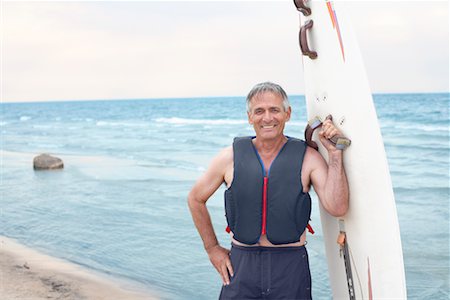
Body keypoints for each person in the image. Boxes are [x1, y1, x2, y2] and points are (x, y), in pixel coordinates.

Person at [188, 82, 349, 299]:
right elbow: (195, 199)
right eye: (259, 111)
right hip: (241, 264)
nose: (267, 118)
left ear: (287, 114)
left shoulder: (308, 158)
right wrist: (212, 249)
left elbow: (337, 207)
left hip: (290, 264)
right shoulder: (229, 158)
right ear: (249, 117)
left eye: (274, 110)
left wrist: (335, 153)